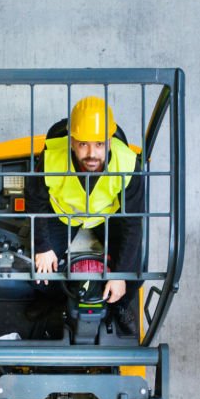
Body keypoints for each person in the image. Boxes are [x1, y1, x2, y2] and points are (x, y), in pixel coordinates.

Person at [25, 96, 144, 335]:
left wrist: (119, 274)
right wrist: (42, 247)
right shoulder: (50, 157)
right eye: (83, 144)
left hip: (104, 217)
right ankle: (52, 302)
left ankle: (118, 304)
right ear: (71, 141)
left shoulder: (128, 163)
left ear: (109, 142)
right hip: (63, 215)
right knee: (37, 270)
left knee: (135, 270)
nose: (92, 154)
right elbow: (35, 199)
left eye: (99, 144)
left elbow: (133, 221)